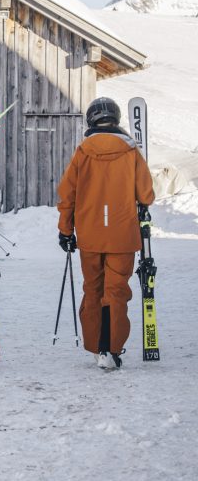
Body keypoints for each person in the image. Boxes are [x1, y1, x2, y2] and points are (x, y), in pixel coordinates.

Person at [57, 97, 154, 370]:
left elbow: (68, 196)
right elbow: (146, 194)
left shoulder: (82, 152)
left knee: (93, 289)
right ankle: (111, 348)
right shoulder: (131, 151)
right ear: (117, 119)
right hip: (123, 235)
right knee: (116, 291)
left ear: (91, 121)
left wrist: (66, 230)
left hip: (90, 234)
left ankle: (97, 347)